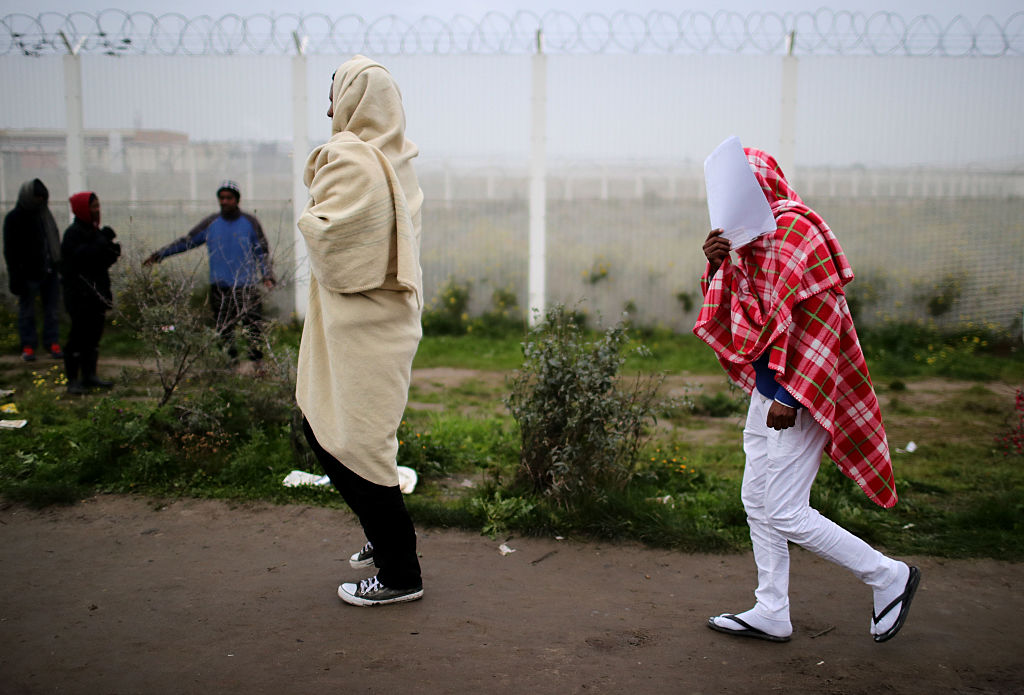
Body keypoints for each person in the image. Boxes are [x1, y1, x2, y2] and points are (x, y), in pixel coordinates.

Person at [693, 148, 919, 643]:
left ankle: (888, 576)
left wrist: (792, 397)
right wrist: (716, 266)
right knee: (756, 499)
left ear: (760, 186)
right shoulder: (746, 242)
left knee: (786, 510)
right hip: (767, 388)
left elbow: (822, 322)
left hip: (802, 393)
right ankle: (771, 610)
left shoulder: (798, 231)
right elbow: (743, 313)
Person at [296, 55, 424, 606]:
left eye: (336, 93)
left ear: (358, 99)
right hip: (373, 324)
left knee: (357, 446)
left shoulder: (354, 160)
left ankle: (400, 576)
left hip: (363, 327)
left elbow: (332, 246)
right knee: (334, 431)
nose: (329, 106)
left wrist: (309, 212)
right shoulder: (397, 161)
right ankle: (382, 539)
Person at [143, 181, 275, 364]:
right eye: (221, 198)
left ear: (237, 200)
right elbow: (186, 242)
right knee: (224, 328)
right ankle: (231, 363)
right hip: (220, 287)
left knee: (253, 327)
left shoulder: (250, 222)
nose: (224, 201)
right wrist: (159, 255)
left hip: (246, 286)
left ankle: (257, 364)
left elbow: (262, 251)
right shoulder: (211, 223)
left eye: (229, 198)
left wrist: (267, 275)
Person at [62, 192, 121, 394]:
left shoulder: (95, 232)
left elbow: (102, 261)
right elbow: (79, 258)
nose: (97, 210)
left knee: (93, 337)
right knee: (78, 337)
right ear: (82, 210)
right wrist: (101, 242)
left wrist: (111, 249)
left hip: (97, 295)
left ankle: (89, 375)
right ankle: (72, 380)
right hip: (79, 296)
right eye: (93, 207)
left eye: (98, 206)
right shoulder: (73, 234)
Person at [3, 179, 63, 362]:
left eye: (43, 198)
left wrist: (58, 265)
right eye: (37, 198)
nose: (41, 202)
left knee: (52, 310)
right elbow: (11, 251)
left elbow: (53, 243)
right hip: (28, 274)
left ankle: (52, 343)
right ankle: (28, 346)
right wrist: (16, 276)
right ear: (29, 197)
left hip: (50, 271)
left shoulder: (45, 216)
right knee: (27, 311)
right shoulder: (15, 219)